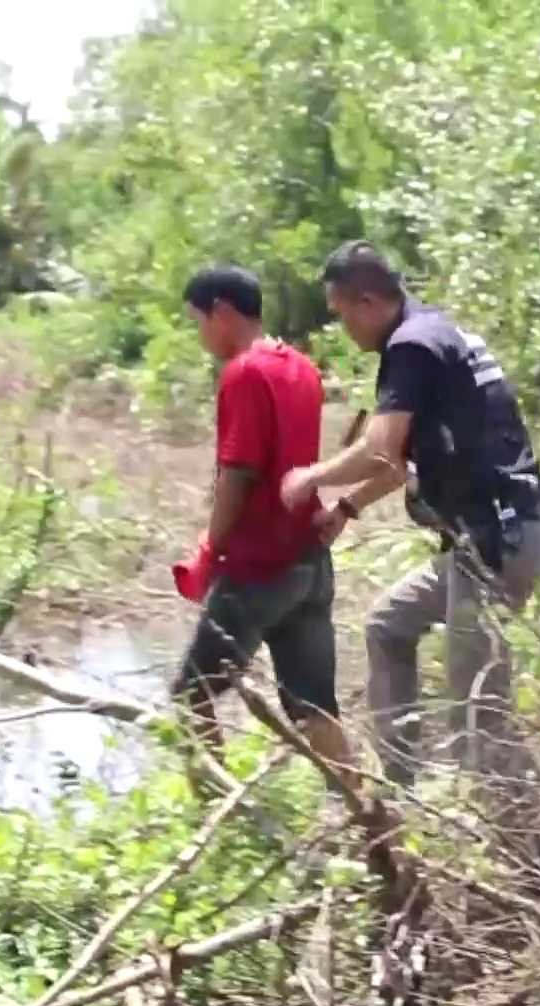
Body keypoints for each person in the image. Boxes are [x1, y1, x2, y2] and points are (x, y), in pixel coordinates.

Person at [281, 241, 540, 792]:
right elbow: (401, 460)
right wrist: (347, 507)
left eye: (340, 315)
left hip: (497, 543)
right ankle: (403, 791)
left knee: (479, 714)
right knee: (389, 626)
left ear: (366, 301)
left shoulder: (410, 346)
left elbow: (381, 449)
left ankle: (532, 859)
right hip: (494, 538)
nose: (344, 330)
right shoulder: (435, 332)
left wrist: (311, 478)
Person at [169, 265, 359, 798]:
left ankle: (216, 820)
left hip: (261, 569)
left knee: (190, 700)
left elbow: (240, 471)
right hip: (309, 562)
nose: (201, 335)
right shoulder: (301, 367)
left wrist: (212, 548)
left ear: (222, 312)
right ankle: (371, 828)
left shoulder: (244, 373)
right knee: (314, 708)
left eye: (199, 321)